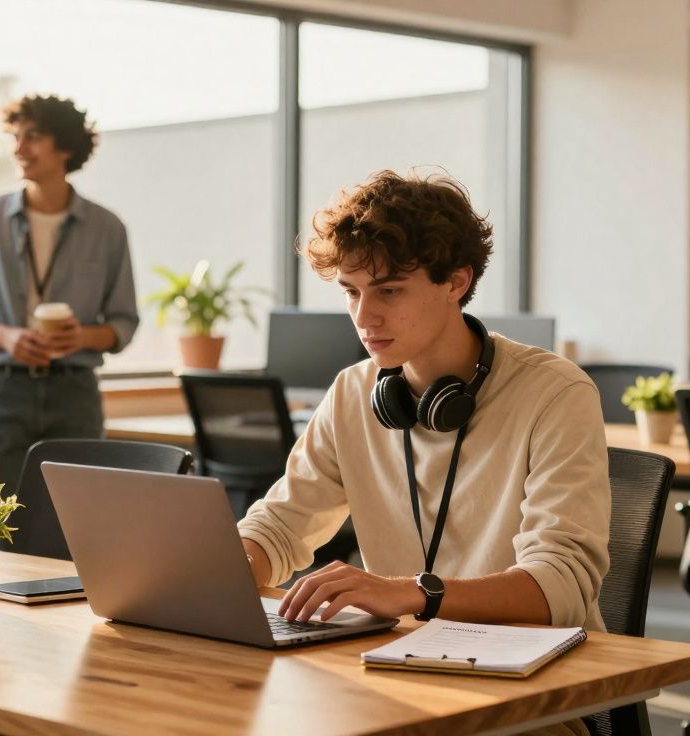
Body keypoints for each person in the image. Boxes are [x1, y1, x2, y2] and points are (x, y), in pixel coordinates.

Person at [237, 170, 610, 736]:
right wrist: (227, 574)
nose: (364, 317)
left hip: (527, 696)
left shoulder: (555, 393)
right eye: (351, 292)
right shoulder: (354, 392)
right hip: (393, 679)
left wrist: (408, 593)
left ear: (456, 281)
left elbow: (561, 586)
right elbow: (279, 526)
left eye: (389, 291)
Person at [0, 94, 137, 493]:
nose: (18, 148)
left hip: (76, 392)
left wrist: (81, 337)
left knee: (77, 513)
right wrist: (6, 338)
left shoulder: (107, 228)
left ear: (65, 146)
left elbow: (123, 322)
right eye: (15, 137)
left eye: (32, 136)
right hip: (4, 390)